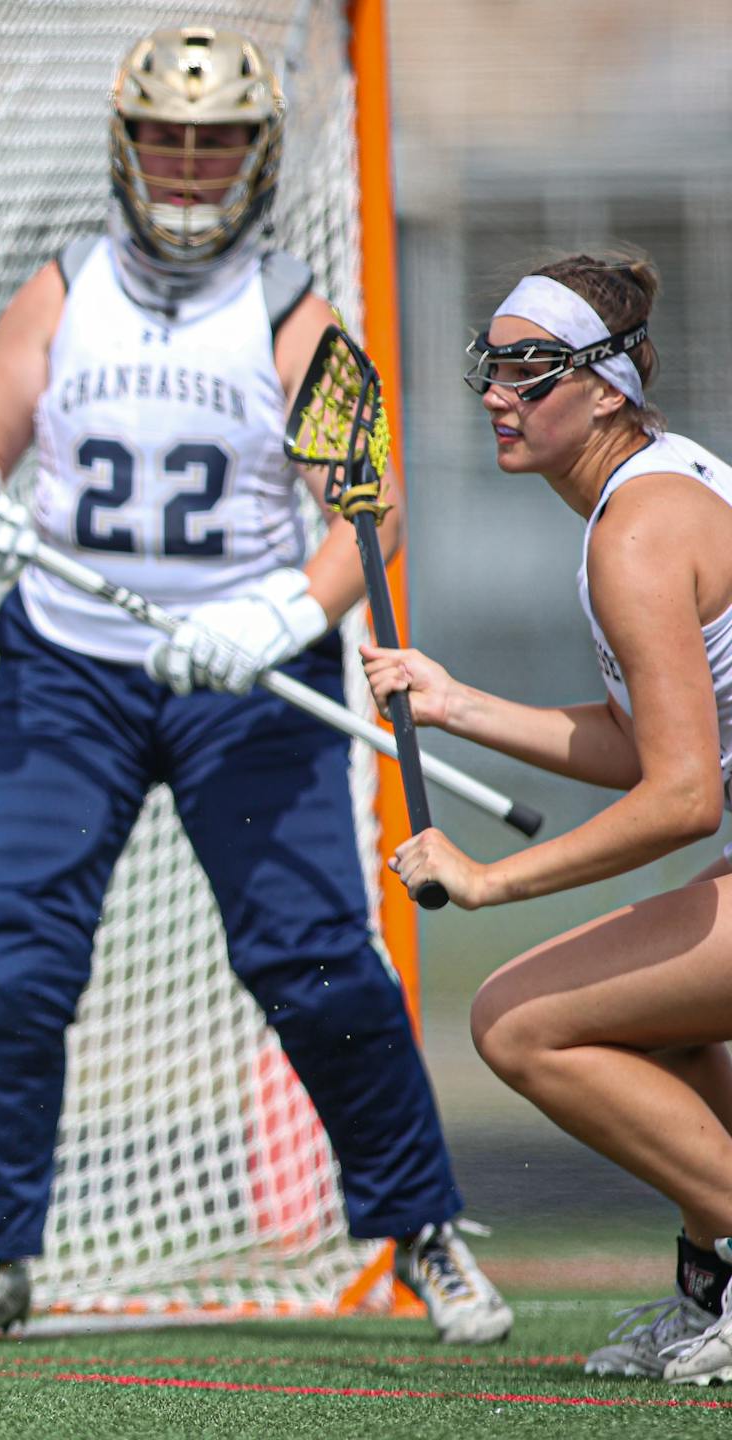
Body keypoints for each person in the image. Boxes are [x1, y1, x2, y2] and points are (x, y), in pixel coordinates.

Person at [0, 24, 507, 1346]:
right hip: (70, 665)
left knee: (316, 963)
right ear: (127, 147)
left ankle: (421, 1229)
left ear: (261, 154)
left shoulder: (298, 312)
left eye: (217, 142)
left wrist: (282, 609)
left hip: (249, 679)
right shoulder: (64, 288)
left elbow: (371, 511)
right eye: (168, 140)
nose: (189, 167)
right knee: (6, 966)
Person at [366, 252, 732, 1385]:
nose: (495, 392)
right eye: (492, 363)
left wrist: (487, 881)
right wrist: (457, 702)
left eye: (530, 368)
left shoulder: (634, 534)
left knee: (519, 1021)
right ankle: (711, 1279)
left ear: (609, 385)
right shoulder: (656, 495)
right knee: (656, 1026)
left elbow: (681, 796)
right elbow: (649, 744)